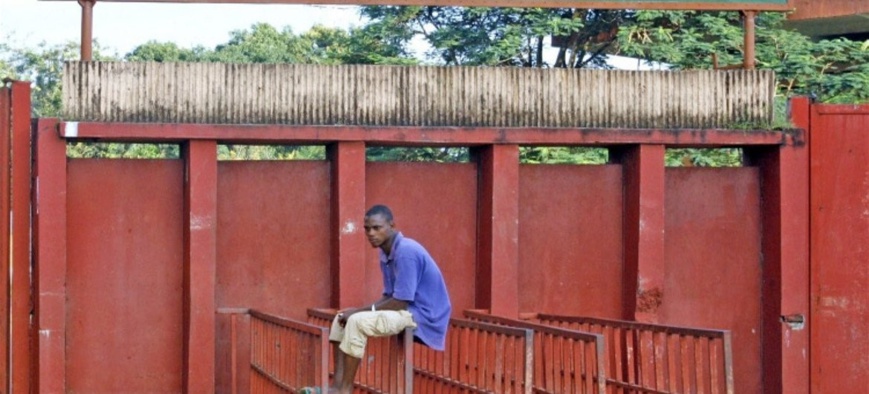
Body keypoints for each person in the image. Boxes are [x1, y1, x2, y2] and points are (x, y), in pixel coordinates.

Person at [309, 204, 452, 394]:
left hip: (423, 315)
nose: (371, 233)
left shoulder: (406, 252)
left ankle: (345, 389)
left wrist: (358, 312)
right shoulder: (386, 252)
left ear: (392, 226)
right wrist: (352, 312)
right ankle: (336, 386)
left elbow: (400, 301)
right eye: (367, 228)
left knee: (357, 322)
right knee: (341, 318)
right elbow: (389, 297)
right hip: (406, 309)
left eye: (377, 228)